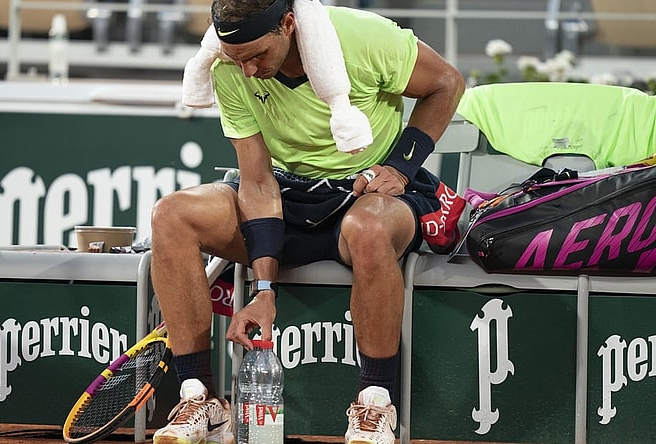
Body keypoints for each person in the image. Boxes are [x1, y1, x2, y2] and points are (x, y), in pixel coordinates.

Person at [149, 0, 465, 442]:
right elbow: (257, 183)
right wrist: (262, 291)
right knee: (172, 214)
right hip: (286, 196)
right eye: (238, 60)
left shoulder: (365, 38)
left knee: (369, 228)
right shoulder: (230, 66)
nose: (249, 72)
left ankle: (376, 404)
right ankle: (200, 397)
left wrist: (399, 167)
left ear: (288, 24)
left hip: (367, 194)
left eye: (257, 56)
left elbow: (447, 83)